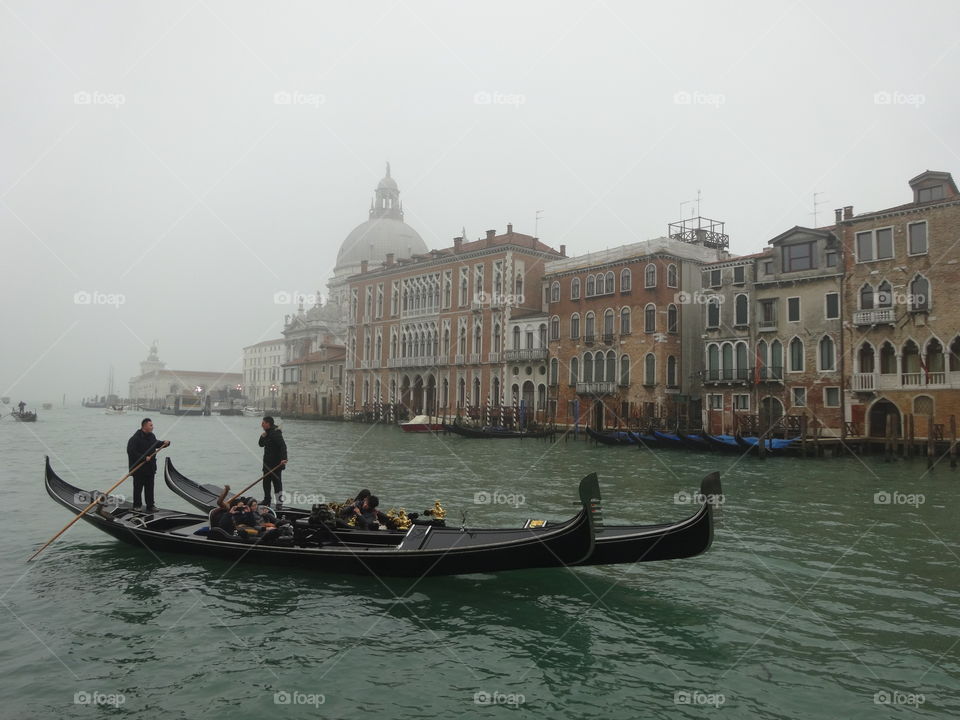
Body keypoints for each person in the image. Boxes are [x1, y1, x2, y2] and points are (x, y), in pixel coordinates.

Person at [126, 418, 170, 512]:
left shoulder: (151, 436)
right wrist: (144, 458)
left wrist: (165, 443)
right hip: (138, 469)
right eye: (151, 425)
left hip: (150, 468)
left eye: (152, 425)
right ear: (144, 426)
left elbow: (156, 444)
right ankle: (137, 506)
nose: (152, 427)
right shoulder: (135, 438)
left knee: (150, 488)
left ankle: (150, 506)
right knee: (138, 488)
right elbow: (131, 452)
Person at [258, 417, 287, 508]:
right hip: (267, 463)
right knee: (266, 482)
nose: (261, 425)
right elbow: (261, 444)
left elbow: (283, 446)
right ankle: (267, 500)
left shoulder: (276, 433)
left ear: (268, 424)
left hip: (276, 463)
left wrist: (284, 458)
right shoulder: (267, 433)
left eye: (263, 423)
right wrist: (262, 437)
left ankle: (279, 503)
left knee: (277, 483)